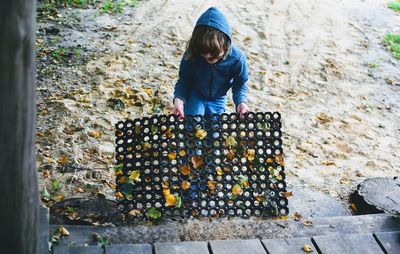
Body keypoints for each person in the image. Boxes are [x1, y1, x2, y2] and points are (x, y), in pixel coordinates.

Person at [172, 7, 250, 119]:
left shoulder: (237, 59)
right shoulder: (192, 53)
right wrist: (179, 99)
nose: (208, 56)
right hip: (196, 94)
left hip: (218, 97)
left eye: (214, 54)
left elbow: (240, 84)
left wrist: (241, 103)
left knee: (215, 131)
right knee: (192, 125)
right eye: (203, 53)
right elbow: (184, 81)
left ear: (226, 46)